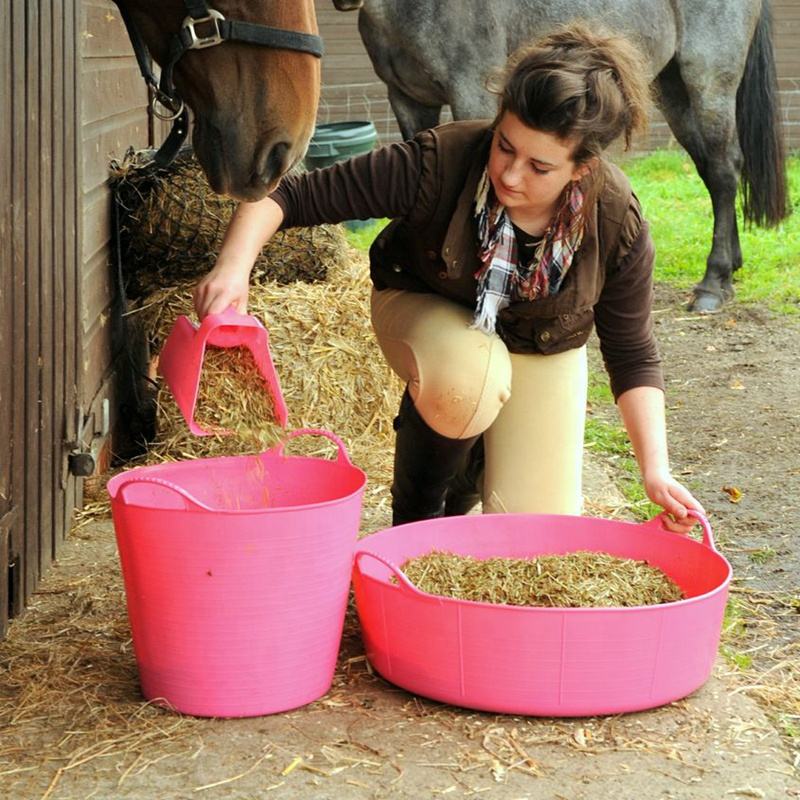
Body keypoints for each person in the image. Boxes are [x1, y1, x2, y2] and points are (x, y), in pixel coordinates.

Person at [193, 23, 704, 532]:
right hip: (426, 311)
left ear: (581, 169)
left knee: (537, 537)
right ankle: (417, 520)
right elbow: (289, 196)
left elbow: (633, 354)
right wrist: (233, 269)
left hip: (539, 339)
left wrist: (655, 472)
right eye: (505, 146)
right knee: (469, 378)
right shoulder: (441, 160)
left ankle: (464, 482)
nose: (510, 175)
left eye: (539, 167)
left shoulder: (615, 220)